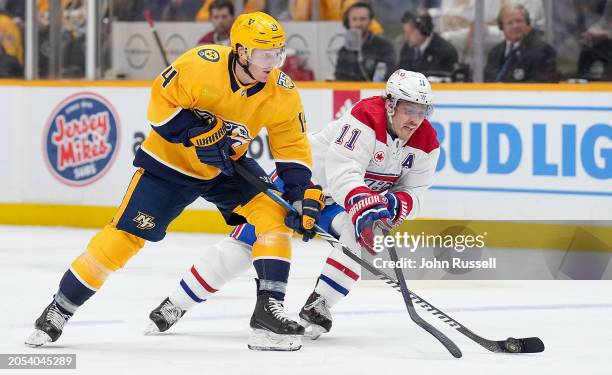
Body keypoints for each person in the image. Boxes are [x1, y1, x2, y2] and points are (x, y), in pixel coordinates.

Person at [25, 12, 324, 352]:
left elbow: (292, 148)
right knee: (125, 238)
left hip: (225, 168)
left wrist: (300, 193)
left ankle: (268, 311)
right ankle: (61, 307)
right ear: (240, 51)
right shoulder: (201, 63)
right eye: (263, 55)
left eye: (278, 54)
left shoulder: (282, 92)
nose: (272, 64)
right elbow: (159, 106)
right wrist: (195, 132)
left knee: (274, 215)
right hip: (168, 166)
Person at [145, 69, 440, 340]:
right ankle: (175, 304)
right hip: (301, 185)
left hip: (338, 202)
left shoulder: (426, 142)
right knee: (247, 245)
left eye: (421, 111)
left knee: (358, 237)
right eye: (408, 109)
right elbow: (343, 172)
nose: (415, 119)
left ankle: (320, 303)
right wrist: (366, 204)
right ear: (390, 105)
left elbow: (416, 192)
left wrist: (393, 205)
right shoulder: (366, 116)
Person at [484, 4, 557, 82]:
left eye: (519, 21)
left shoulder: (543, 51)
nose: (515, 26)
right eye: (510, 23)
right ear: (502, 27)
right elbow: (488, 80)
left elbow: (540, 82)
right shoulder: (495, 52)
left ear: (527, 24)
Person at [333, 2, 395, 81]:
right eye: (354, 19)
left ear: (370, 21)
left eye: (362, 19)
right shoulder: (344, 50)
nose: (358, 24)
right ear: (348, 22)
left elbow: (389, 77)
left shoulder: (384, 47)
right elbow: (339, 79)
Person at [397, 11, 458, 78]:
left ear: (424, 30)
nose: (406, 37)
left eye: (410, 32)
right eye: (405, 32)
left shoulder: (446, 51)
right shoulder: (407, 48)